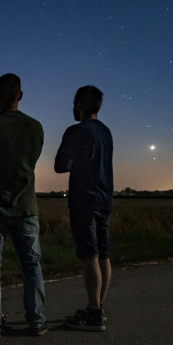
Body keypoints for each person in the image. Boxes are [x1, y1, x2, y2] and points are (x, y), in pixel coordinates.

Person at [0, 73, 47, 339]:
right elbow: (33, 158)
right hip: (25, 206)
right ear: (20, 96)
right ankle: (36, 321)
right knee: (32, 267)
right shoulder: (35, 127)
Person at [54, 85, 113, 331]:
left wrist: (75, 162)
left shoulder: (75, 131)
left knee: (90, 257)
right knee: (104, 255)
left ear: (79, 104)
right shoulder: (106, 132)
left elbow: (60, 165)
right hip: (104, 199)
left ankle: (94, 315)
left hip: (83, 201)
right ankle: (96, 308)